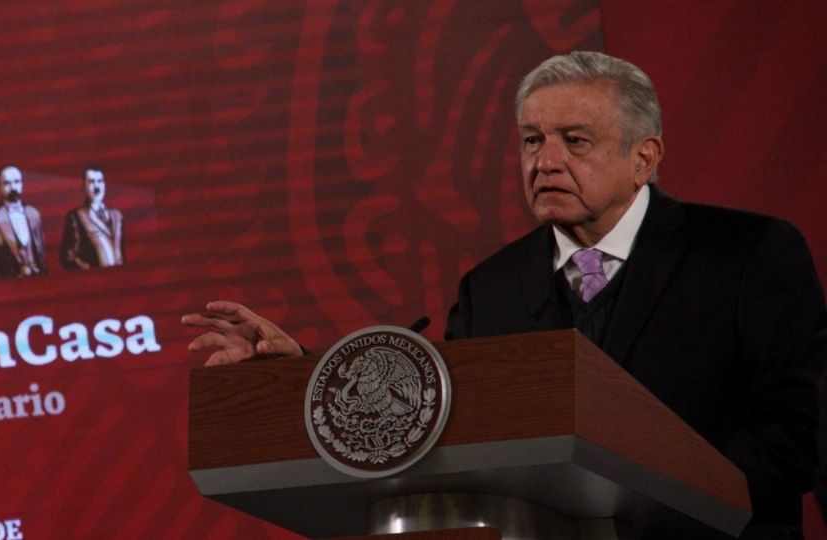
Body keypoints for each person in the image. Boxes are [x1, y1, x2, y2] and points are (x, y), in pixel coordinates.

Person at [181, 51, 827, 538]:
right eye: (531, 141)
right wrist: (304, 379)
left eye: (575, 141)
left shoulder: (747, 255)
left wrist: (642, 493)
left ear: (645, 156)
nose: (545, 161)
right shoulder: (493, 286)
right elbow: (448, 424)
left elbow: (799, 436)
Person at [0, 164, 47, 278]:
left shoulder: (33, 213)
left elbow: (40, 248)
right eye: (7, 183)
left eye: (17, 182)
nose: (13, 187)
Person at [59, 166, 124, 270]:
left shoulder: (117, 215)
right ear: (83, 186)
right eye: (92, 182)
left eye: (100, 181)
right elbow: (68, 256)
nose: (97, 187)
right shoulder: (76, 216)